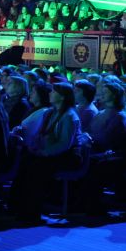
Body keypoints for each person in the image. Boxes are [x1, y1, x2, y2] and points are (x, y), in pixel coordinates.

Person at [10, 82, 82, 220]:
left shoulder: (69, 116)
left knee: (37, 168)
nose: (50, 93)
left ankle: (32, 211)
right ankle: (17, 205)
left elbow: (64, 143)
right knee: (25, 161)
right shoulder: (51, 112)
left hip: (68, 156)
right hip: (52, 153)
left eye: (53, 92)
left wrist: (44, 152)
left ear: (62, 96)